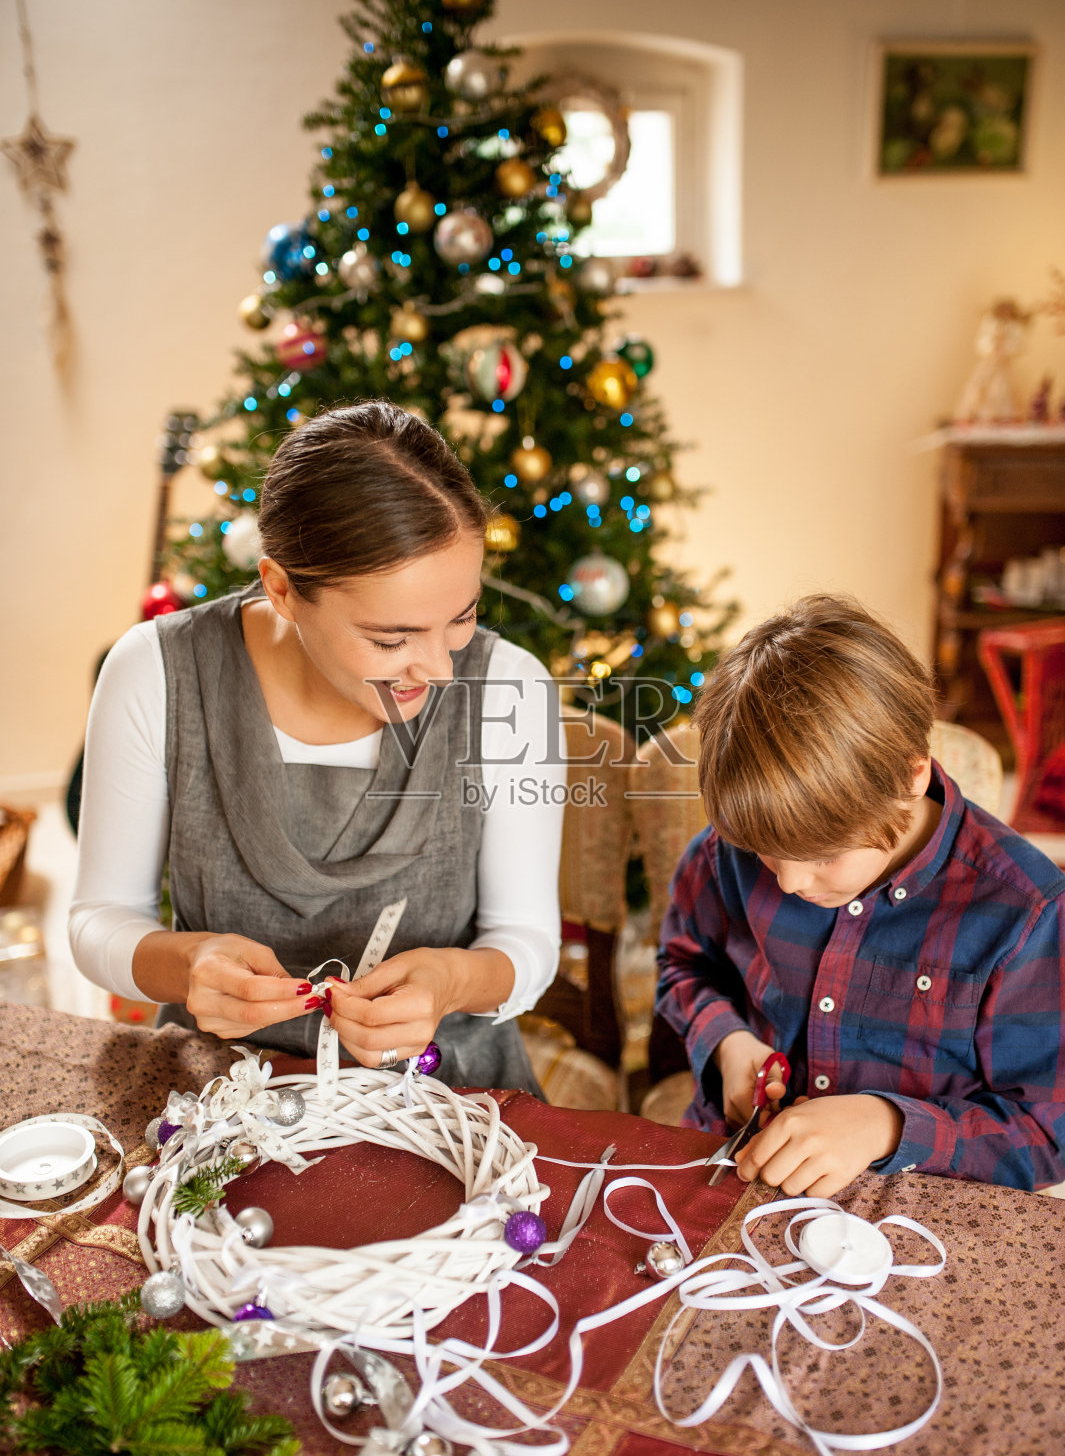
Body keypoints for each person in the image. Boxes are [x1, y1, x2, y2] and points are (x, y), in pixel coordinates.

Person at [70, 401, 564, 1092]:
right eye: (391, 639)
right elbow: (99, 920)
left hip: (446, 1090)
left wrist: (450, 981)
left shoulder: (509, 687)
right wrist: (187, 965)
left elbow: (528, 942)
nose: (442, 669)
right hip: (217, 1098)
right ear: (281, 589)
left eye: (461, 616)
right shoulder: (155, 670)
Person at [655, 593, 1065, 1193]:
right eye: (768, 852)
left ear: (910, 775)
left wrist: (887, 1126)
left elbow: (1047, 1133)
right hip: (734, 1175)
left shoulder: (1027, 912)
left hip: (915, 1220)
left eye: (823, 854)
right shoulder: (726, 854)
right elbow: (683, 965)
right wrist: (728, 1043)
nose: (790, 882)